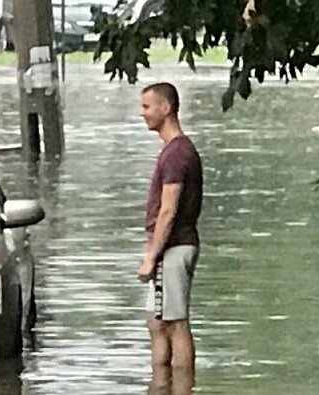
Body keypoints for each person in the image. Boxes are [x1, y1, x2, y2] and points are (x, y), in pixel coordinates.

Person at [138, 83, 203, 385]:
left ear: (166, 108)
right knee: (156, 321)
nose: (143, 114)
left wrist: (151, 256)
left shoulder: (177, 153)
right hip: (168, 248)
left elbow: (168, 210)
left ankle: (182, 387)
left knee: (175, 323)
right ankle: (159, 384)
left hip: (173, 248)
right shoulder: (172, 151)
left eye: (147, 107)